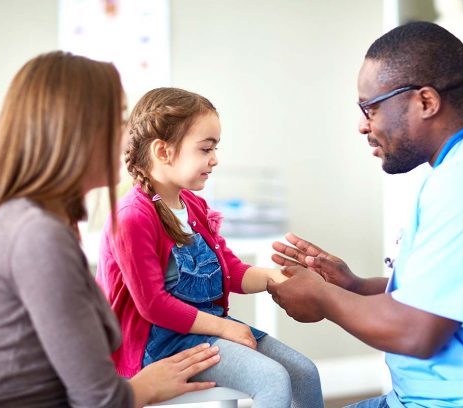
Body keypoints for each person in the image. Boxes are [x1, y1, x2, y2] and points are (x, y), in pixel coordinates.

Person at [267, 21, 463, 408]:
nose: (362, 125)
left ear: (425, 102)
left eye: (370, 107)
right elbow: (446, 291)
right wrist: (353, 287)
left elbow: (417, 332)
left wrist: (323, 299)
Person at [0, 51, 221, 408]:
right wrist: (146, 386)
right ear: (74, 130)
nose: (127, 140)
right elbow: (99, 399)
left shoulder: (28, 223)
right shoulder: (37, 236)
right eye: (120, 122)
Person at [96, 87, 324, 408]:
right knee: (272, 378)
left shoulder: (193, 205)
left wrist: (279, 277)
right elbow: (153, 305)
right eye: (206, 149)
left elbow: (230, 272)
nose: (214, 159)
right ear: (163, 152)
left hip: (206, 328)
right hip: (159, 344)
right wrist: (224, 327)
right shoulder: (133, 217)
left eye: (215, 148)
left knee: (305, 373)